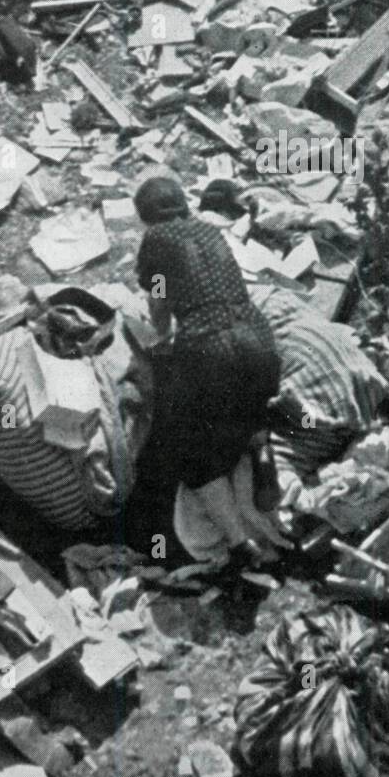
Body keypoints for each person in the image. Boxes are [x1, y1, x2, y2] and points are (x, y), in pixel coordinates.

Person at [133, 176, 283, 573]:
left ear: (147, 218)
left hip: (210, 348)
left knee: (192, 453)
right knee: (246, 405)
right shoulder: (210, 231)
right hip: (257, 337)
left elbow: (160, 295)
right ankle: (258, 441)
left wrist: (159, 331)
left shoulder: (156, 240)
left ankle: (239, 543)